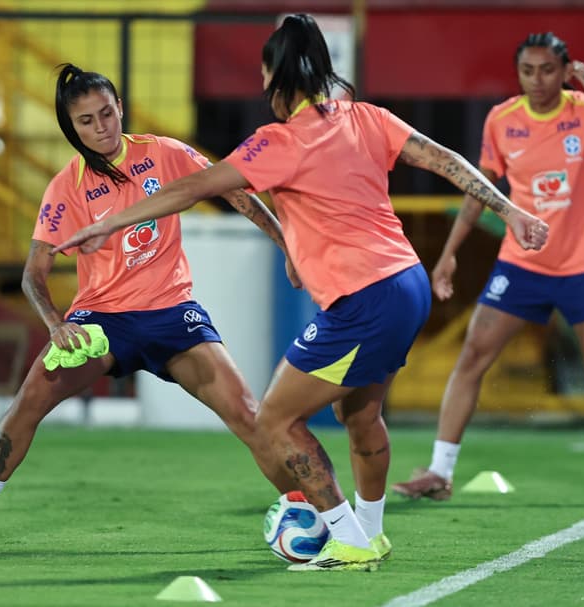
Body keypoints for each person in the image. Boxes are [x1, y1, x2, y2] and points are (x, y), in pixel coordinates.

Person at [51, 15, 549, 571]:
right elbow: (446, 160)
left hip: (364, 300)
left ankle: (347, 537)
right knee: (362, 416)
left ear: (274, 75)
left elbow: (193, 187)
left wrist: (109, 224)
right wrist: (510, 209)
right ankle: (371, 534)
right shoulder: (366, 118)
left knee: (275, 421)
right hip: (407, 283)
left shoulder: (278, 142)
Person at [0, 64, 300, 554]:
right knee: (27, 405)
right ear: (71, 128)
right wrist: (56, 324)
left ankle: (310, 512)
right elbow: (33, 274)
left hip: (172, 313)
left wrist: (287, 245)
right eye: (86, 121)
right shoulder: (66, 187)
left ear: (120, 106)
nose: (101, 126)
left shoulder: (163, 152)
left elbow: (234, 191)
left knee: (250, 414)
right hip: (100, 323)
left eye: (106, 112)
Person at [391, 32, 584, 508]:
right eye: (527, 71)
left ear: (565, 70)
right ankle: (440, 473)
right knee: (472, 358)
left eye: (547, 70)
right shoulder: (502, 120)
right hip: (521, 264)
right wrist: (449, 254)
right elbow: (478, 190)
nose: (537, 80)